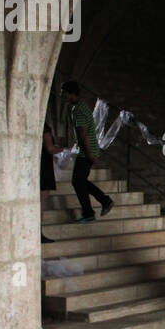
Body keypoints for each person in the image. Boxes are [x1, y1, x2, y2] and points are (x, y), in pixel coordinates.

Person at [60, 80, 113, 223]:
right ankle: (99, 204)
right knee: (79, 181)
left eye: (64, 93)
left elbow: (83, 134)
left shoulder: (78, 110)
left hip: (87, 149)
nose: (62, 96)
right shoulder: (81, 107)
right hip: (86, 148)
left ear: (71, 93)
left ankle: (97, 206)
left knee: (78, 181)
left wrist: (90, 155)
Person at [39, 118, 65, 243]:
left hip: (38, 165)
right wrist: (66, 149)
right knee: (41, 202)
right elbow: (50, 148)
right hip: (43, 166)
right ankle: (37, 233)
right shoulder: (44, 125)